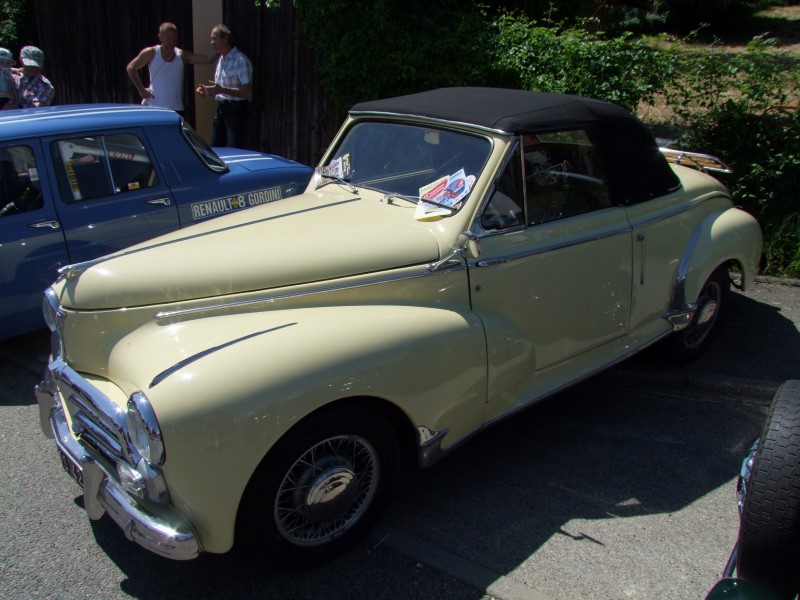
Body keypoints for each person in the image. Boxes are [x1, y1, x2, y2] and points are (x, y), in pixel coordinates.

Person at [126, 22, 218, 117]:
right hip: (155, 106)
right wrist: (141, 89)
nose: (171, 42)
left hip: (176, 108)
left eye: (174, 39)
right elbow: (131, 68)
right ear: (160, 37)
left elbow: (208, 59)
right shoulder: (151, 53)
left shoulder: (181, 55)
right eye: (168, 38)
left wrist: (220, 47)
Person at [195, 24, 252, 148]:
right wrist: (208, 91)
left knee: (234, 148)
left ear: (225, 38)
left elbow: (247, 91)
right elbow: (220, 89)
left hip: (236, 109)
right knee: (215, 147)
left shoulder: (239, 60)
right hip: (222, 108)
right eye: (211, 39)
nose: (212, 42)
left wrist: (222, 90)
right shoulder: (221, 59)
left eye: (214, 39)